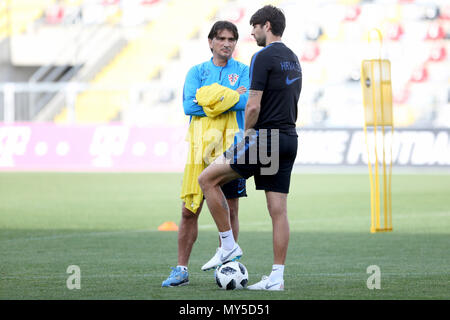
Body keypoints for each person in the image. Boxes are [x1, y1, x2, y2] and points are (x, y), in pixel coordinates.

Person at [198, 5, 302, 291]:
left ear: (266, 25)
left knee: (207, 179)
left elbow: (253, 104)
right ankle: (277, 278)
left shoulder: (262, 56)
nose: (252, 33)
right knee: (278, 210)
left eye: (254, 28)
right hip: (289, 138)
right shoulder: (293, 58)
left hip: (265, 138)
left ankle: (228, 245)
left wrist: (247, 135)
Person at [162, 21, 250, 287]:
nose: (226, 43)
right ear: (210, 42)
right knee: (190, 210)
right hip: (200, 148)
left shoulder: (244, 71)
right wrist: (229, 97)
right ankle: (181, 269)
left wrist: (209, 99)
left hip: (232, 148)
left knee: (230, 209)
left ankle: (229, 265)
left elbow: (246, 101)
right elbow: (189, 105)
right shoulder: (197, 72)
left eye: (231, 39)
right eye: (221, 38)